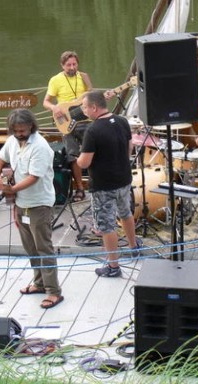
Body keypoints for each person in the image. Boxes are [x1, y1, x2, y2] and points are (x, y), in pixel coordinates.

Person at [0, 109, 64, 309]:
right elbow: (0, 158)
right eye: (15, 130)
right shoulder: (13, 141)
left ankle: (53, 291)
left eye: (22, 130)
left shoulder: (40, 146)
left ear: (31, 126)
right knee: (30, 247)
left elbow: (34, 177)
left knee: (44, 247)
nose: (19, 133)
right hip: (20, 203)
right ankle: (39, 283)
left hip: (39, 204)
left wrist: (11, 189)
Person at [77, 90, 141, 278]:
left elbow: (84, 162)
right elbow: (129, 147)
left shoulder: (93, 130)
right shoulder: (122, 121)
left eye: (84, 106)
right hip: (124, 179)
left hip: (103, 185)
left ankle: (113, 266)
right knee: (125, 213)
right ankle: (133, 247)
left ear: (94, 107)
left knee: (106, 226)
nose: (83, 110)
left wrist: (77, 160)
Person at [43, 51, 93, 202]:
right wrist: (54, 108)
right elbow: (46, 101)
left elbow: (92, 96)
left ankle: (95, 185)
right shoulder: (55, 80)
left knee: (92, 152)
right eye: (68, 65)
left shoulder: (84, 77)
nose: (72, 67)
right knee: (72, 156)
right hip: (66, 123)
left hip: (85, 120)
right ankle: (79, 188)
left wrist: (93, 89)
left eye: (74, 64)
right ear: (62, 65)